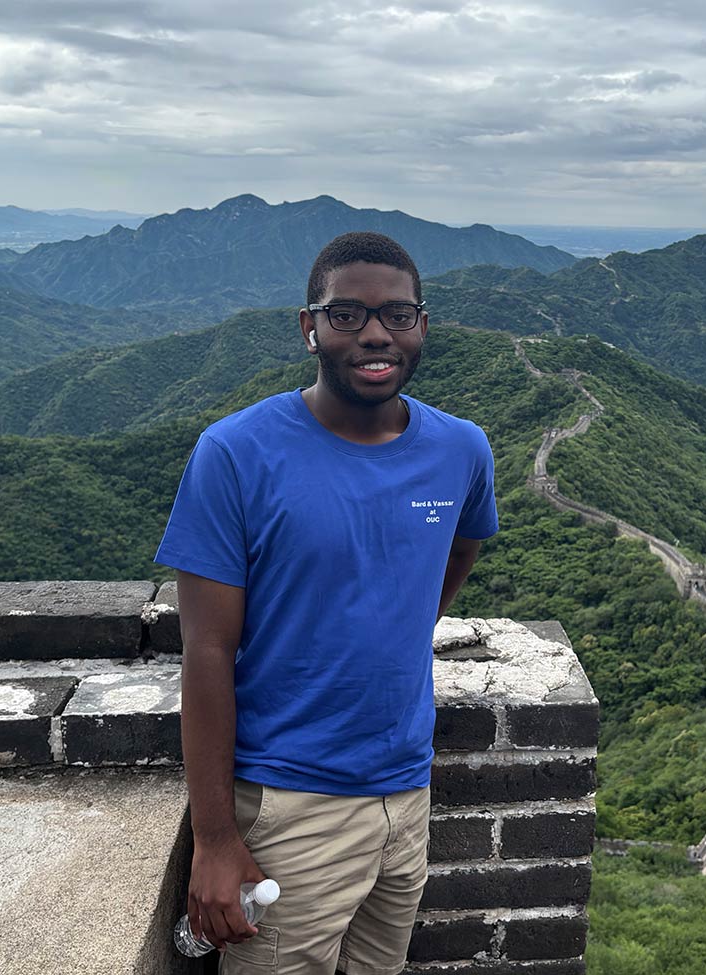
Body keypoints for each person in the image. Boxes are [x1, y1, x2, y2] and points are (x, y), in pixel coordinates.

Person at [155, 231, 498, 974]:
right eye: (347, 314)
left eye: (398, 315)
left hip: (407, 794)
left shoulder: (463, 449)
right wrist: (216, 838)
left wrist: (397, 627)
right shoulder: (236, 453)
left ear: (423, 327)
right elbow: (206, 649)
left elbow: (461, 547)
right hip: (288, 802)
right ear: (308, 327)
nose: (376, 333)